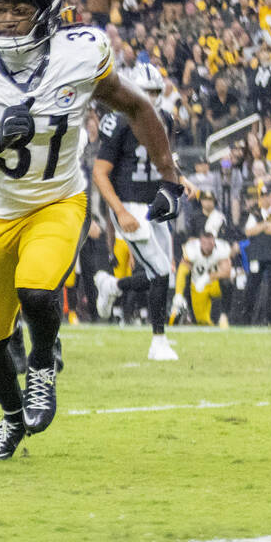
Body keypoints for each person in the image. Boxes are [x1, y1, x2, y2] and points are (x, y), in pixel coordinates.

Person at [0, 0, 183, 460]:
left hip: (59, 202)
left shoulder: (80, 54)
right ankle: (10, 416)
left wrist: (170, 174)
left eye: (19, 7)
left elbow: (138, 105)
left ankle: (43, 362)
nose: (6, 19)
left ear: (46, 7)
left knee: (39, 291)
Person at [91, 62, 179, 361]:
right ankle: (158, 341)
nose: (151, 99)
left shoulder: (164, 119)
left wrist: (182, 178)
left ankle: (112, 285)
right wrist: (120, 213)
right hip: (128, 204)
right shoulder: (118, 122)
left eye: (155, 92)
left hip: (154, 203)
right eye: (145, 92)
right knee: (160, 270)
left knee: (163, 272)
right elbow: (100, 173)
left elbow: (164, 159)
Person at [244, 181, 271, 326]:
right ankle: (247, 320)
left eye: (267, 196)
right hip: (257, 255)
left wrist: (260, 227)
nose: (264, 199)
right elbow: (248, 232)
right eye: (261, 196)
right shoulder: (254, 212)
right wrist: (265, 225)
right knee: (252, 287)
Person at [172, 229, 234, 326]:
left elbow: (227, 272)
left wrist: (208, 277)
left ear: (214, 241)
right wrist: (178, 293)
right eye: (205, 242)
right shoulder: (192, 249)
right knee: (202, 322)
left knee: (227, 282)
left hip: (215, 283)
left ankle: (224, 314)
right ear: (200, 241)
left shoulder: (221, 248)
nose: (208, 245)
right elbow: (182, 272)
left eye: (210, 242)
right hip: (197, 285)